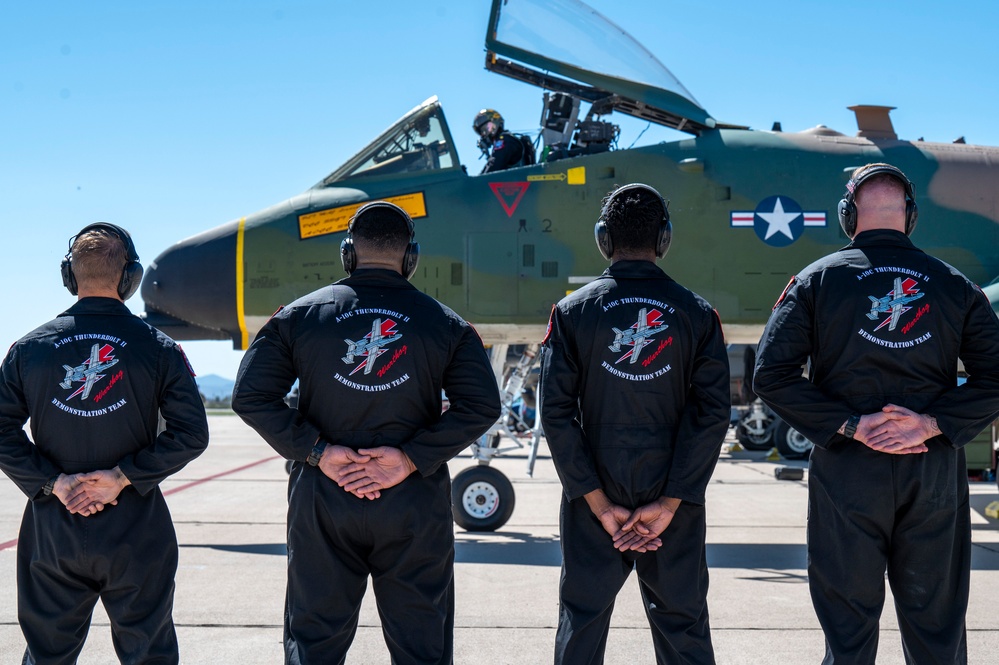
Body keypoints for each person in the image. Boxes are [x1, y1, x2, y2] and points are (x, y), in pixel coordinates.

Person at [231, 201, 501, 664]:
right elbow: (483, 405)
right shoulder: (446, 324)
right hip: (413, 505)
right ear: (410, 257)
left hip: (323, 502)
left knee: (313, 645)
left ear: (346, 254)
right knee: (422, 648)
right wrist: (410, 458)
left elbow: (250, 396)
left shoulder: (298, 317)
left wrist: (319, 452)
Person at [753, 163, 999, 664]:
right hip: (930, 474)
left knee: (848, 636)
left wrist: (852, 425)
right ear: (910, 217)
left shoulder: (815, 282)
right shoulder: (955, 285)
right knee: (937, 634)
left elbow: (770, 375)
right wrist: (929, 424)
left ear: (848, 216)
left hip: (847, 473)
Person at [0, 222, 209, 664]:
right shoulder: (159, 348)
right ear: (130, 278)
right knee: (149, 653)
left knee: (46, 655)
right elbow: (191, 433)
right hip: (136, 527)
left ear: (70, 276)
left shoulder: (28, 349)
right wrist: (121, 477)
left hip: (52, 528)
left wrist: (53, 483)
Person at [540, 183, 731, 664]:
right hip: (674, 494)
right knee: (683, 624)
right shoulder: (698, 314)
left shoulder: (572, 312)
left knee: (581, 622)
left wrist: (599, 504)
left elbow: (556, 413)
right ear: (663, 239)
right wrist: (670, 502)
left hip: (592, 493)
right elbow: (711, 413)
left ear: (604, 239)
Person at [473, 108, 534, 174]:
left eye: (487, 128)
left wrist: (473, 182)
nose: (485, 134)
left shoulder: (505, 140)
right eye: (483, 131)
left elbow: (494, 167)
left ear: (496, 123)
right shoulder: (507, 140)